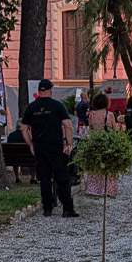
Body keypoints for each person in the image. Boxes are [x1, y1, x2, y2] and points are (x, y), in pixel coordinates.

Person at [23, 78, 78, 217]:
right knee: (62, 177)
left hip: (39, 146)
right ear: (50, 90)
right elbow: (68, 125)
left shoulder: (31, 108)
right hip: (55, 146)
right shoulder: (57, 106)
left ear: (39, 91)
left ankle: (47, 208)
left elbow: (23, 128)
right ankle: (67, 208)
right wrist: (69, 143)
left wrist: (30, 144)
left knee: (44, 178)